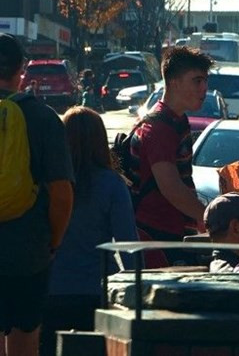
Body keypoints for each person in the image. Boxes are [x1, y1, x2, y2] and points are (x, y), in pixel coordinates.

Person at [0, 34, 74, 356]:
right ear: (22, 69)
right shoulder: (43, 119)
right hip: (27, 250)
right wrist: (53, 241)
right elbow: (61, 193)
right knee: (25, 336)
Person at [41, 107, 137, 356]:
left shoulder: (46, 182)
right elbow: (129, 247)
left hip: (48, 290)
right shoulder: (113, 185)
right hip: (96, 293)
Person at [130, 46, 211, 265]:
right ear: (174, 82)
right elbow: (171, 188)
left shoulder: (177, 120)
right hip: (156, 236)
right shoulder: (158, 127)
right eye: (197, 81)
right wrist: (209, 218)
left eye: (205, 81)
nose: (204, 88)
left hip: (171, 233)